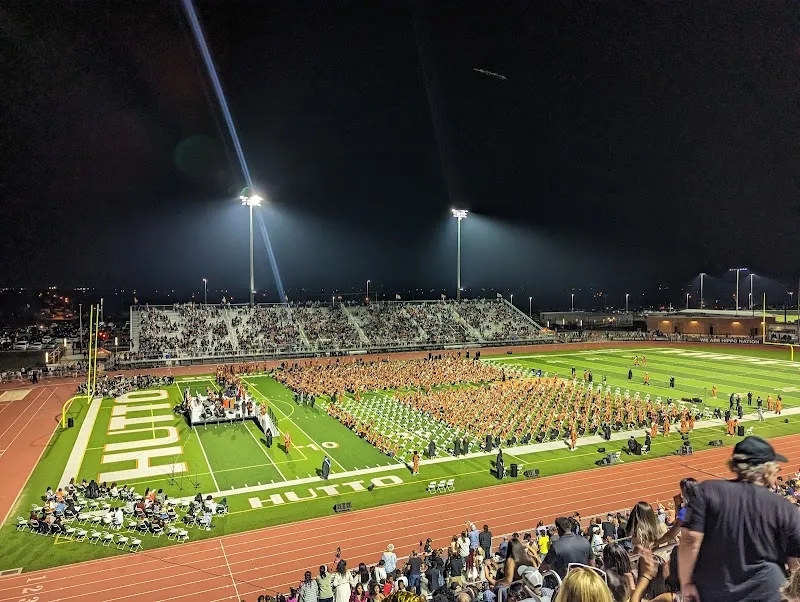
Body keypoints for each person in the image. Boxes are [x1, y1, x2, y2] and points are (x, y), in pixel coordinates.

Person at [679, 436, 800, 602]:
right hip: (768, 593)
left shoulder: (706, 491)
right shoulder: (784, 508)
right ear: (766, 470)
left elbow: (690, 540)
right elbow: (795, 562)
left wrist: (686, 583)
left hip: (714, 592)